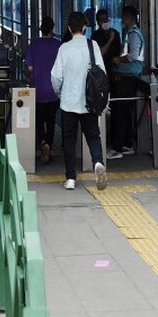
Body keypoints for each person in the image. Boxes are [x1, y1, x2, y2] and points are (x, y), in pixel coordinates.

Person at [50, 11, 108, 191]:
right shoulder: (93, 46)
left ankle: (70, 179)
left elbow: (56, 76)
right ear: (84, 27)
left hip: (69, 102)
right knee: (92, 135)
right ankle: (98, 163)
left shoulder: (64, 48)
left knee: (69, 140)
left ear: (68, 28)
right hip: (90, 102)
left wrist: (60, 93)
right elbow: (102, 74)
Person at [107, 5, 145, 160]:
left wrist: (117, 60)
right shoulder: (129, 33)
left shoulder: (134, 34)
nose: (122, 20)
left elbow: (132, 56)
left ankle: (117, 149)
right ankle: (127, 144)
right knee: (125, 112)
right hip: (126, 75)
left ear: (129, 18)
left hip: (129, 77)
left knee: (121, 113)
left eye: (123, 17)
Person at [24, 16, 61, 164]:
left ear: (41, 28)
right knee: (51, 120)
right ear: (52, 28)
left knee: (39, 121)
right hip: (54, 91)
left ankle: (42, 143)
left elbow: (30, 67)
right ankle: (50, 145)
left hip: (38, 90)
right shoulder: (58, 45)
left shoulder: (34, 45)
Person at [92, 9, 121, 79]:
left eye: (106, 19)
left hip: (114, 71)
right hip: (101, 71)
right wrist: (110, 39)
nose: (105, 21)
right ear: (98, 23)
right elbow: (101, 52)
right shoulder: (95, 35)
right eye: (102, 20)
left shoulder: (115, 33)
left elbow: (119, 52)